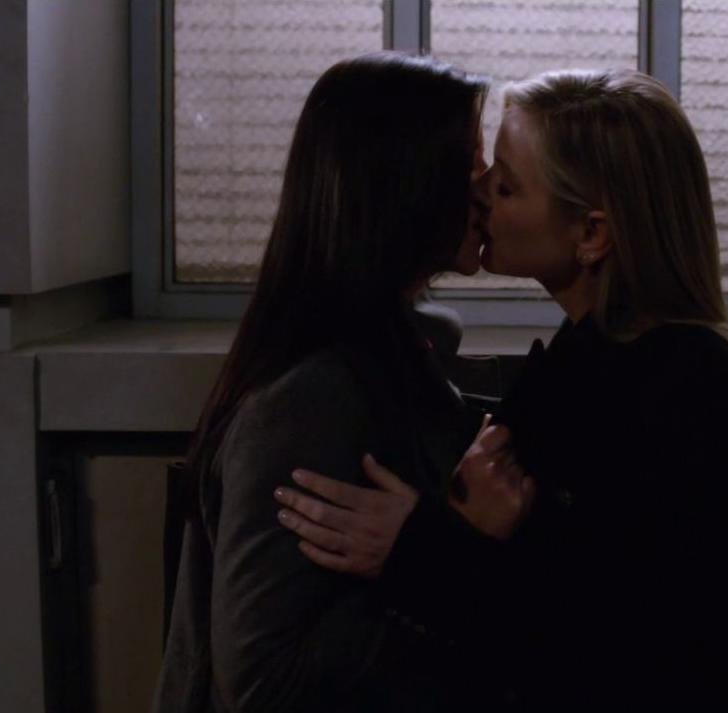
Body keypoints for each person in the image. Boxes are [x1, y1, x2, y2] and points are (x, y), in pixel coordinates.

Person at [273, 68, 728, 711]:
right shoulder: (588, 354)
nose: (478, 191)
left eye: (506, 185)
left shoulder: (693, 388)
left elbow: (629, 645)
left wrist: (420, 552)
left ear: (591, 235)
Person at [150, 51, 501, 713]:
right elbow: (261, 684)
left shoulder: (399, 350)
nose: (487, 189)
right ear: (403, 183)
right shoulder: (311, 398)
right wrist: (445, 551)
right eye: (470, 162)